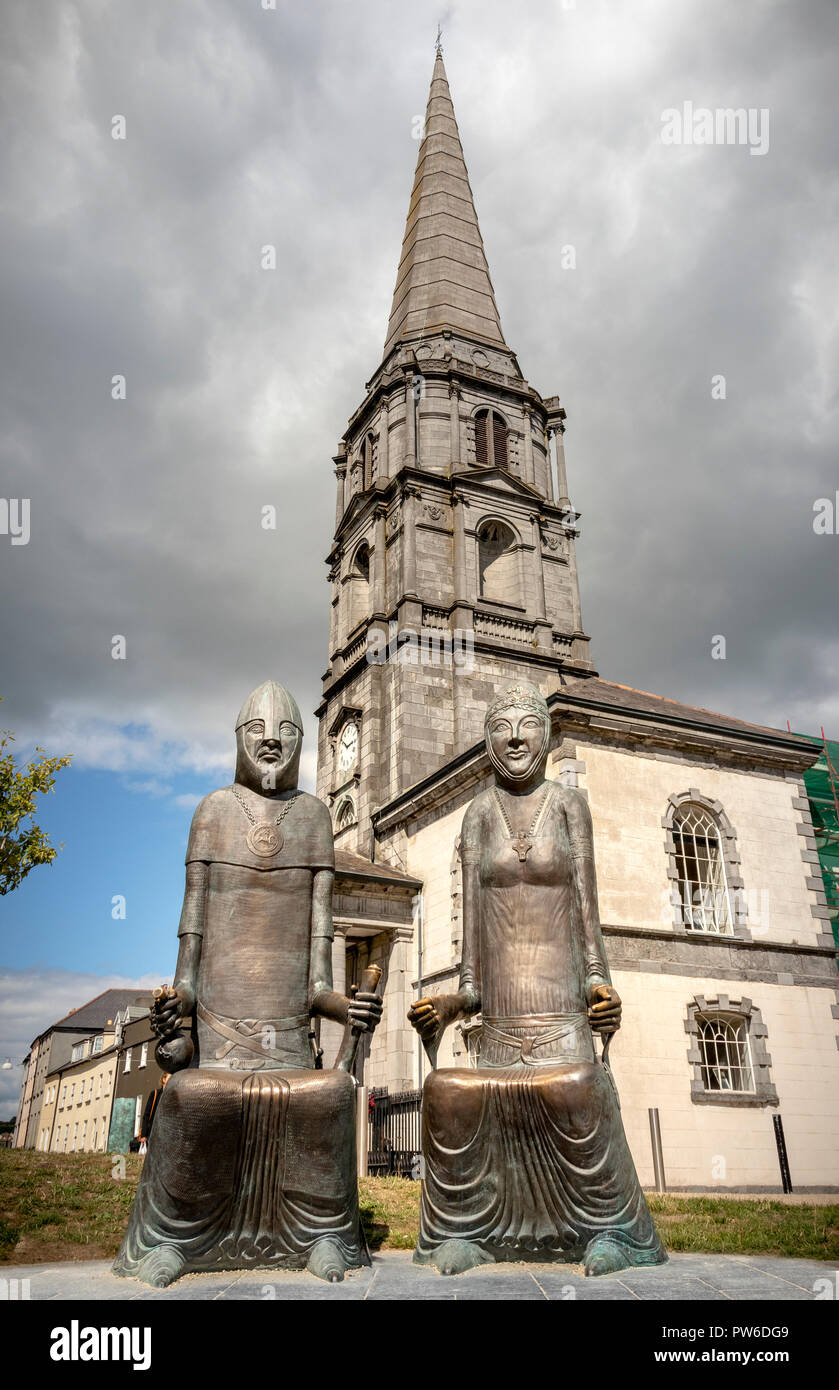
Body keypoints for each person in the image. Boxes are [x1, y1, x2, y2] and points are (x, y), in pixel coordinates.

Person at [113, 681, 382, 1287]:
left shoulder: (314, 818)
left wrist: (348, 1007)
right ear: (238, 739)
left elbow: (319, 975)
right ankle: (176, 1238)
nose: (270, 739)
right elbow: (190, 951)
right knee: (193, 1096)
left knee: (327, 1095)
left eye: (285, 729)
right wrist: (174, 1004)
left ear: (301, 741)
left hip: (287, 1046)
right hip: (217, 1041)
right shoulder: (211, 813)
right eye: (256, 729)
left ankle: (320, 1234)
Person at [408, 681, 666, 1277]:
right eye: (503, 726)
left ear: (546, 735)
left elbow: (587, 920)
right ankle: (467, 1229)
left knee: (575, 1086)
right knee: (449, 1092)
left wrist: (601, 990)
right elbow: (470, 966)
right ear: (488, 738)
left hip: (563, 1023)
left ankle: (607, 1230)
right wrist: (447, 1005)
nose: (517, 736)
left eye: (528, 724)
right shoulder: (477, 817)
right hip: (497, 1030)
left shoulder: (569, 807)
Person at [137, 1073, 169, 1149]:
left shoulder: (172, 1095)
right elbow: (146, 1115)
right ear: (163, 1079)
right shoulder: (155, 1094)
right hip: (152, 1133)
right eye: (170, 1078)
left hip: (166, 1133)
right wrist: (143, 1135)